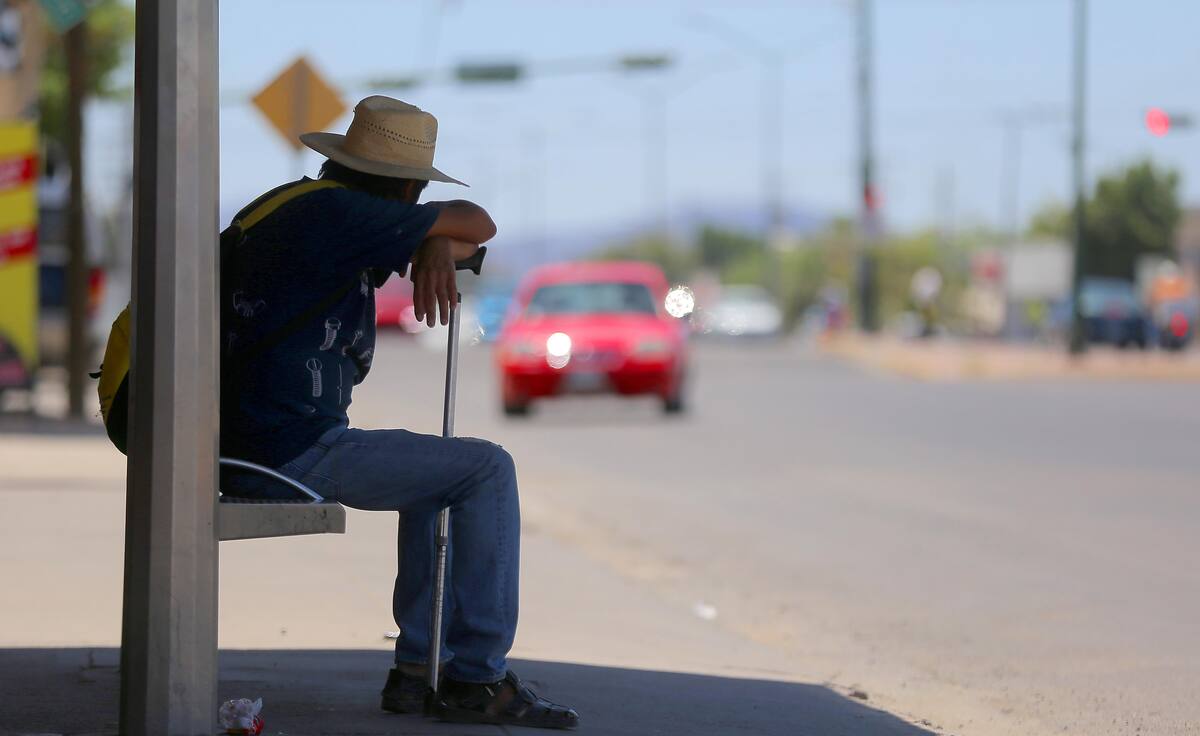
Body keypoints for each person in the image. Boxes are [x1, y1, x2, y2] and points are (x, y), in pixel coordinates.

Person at [220, 96, 579, 730]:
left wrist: (433, 242)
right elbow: (480, 221)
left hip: (249, 440)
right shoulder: (342, 216)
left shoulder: (306, 208)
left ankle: (417, 672)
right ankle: (476, 678)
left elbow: (461, 237)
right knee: (485, 468)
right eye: (416, 201)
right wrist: (435, 233)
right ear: (407, 188)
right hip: (286, 454)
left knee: (440, 472)